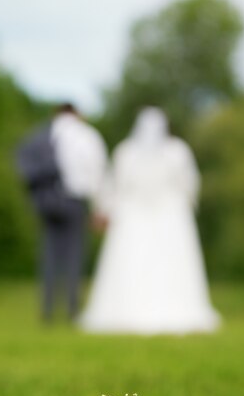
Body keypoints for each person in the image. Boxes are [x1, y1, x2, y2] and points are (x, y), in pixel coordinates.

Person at [79, 107, 220, 334]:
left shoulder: (125, 152)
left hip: (136, 216)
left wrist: (105, 209)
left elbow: (114, 188)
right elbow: (189, 185)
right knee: (164, 263)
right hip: (167, 217)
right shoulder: (177, 151)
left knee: (135, 260)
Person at [17, 103, 107, 320]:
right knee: (74, 255)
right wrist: (99, 207)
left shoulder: (41, 135)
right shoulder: (87, 137)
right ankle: (72, 309)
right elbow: (97, 172)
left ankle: (47, 309)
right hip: (74, 202)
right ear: (77, 114)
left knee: (49, 255)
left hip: (47, 201)